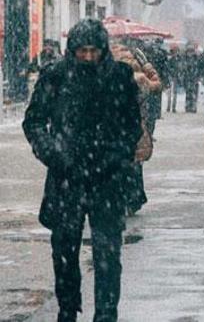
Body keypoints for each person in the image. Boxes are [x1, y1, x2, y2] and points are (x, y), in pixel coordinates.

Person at [23, 18, 142, 322]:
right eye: (82, 51)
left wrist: (116, 155)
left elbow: (132, 125)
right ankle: (67, 309)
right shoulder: (55, 76)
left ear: (103, 49)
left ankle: (106, 313)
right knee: (64, 251)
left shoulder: (119, 76)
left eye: (94, 50)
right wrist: (54, 154)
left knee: (108, 253)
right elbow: (34, 122)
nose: (88, 57)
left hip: (108, 178)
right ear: (72, 49)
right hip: (66, 176)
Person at [110, 42, 162, 215]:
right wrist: (147, 66)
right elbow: (157, 85)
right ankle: (134, 198)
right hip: (136, 126)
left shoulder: (107, 78)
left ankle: (118, 197)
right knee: (135, 164)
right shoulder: (140, 79)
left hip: (112, 127)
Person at [179, 45, 202, 113]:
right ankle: (188, 107)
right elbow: (182, 68)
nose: (190, 53)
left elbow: (199, 68)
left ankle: (193, 107)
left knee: (194, 94)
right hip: (187, 78)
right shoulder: (185, 59)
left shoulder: (196, 58)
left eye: (191, 51)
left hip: (194, 78)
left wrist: (198, 77)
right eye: (189, 51)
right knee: (188, 93)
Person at [166, 45, 180, 113]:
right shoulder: (171, 59)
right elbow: (168, 68)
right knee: (170, 93)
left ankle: (173, 107)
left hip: (175, 77)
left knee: (174, 93)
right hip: (171, 77)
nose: (175, 53)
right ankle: (169, 107)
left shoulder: (178, 59)